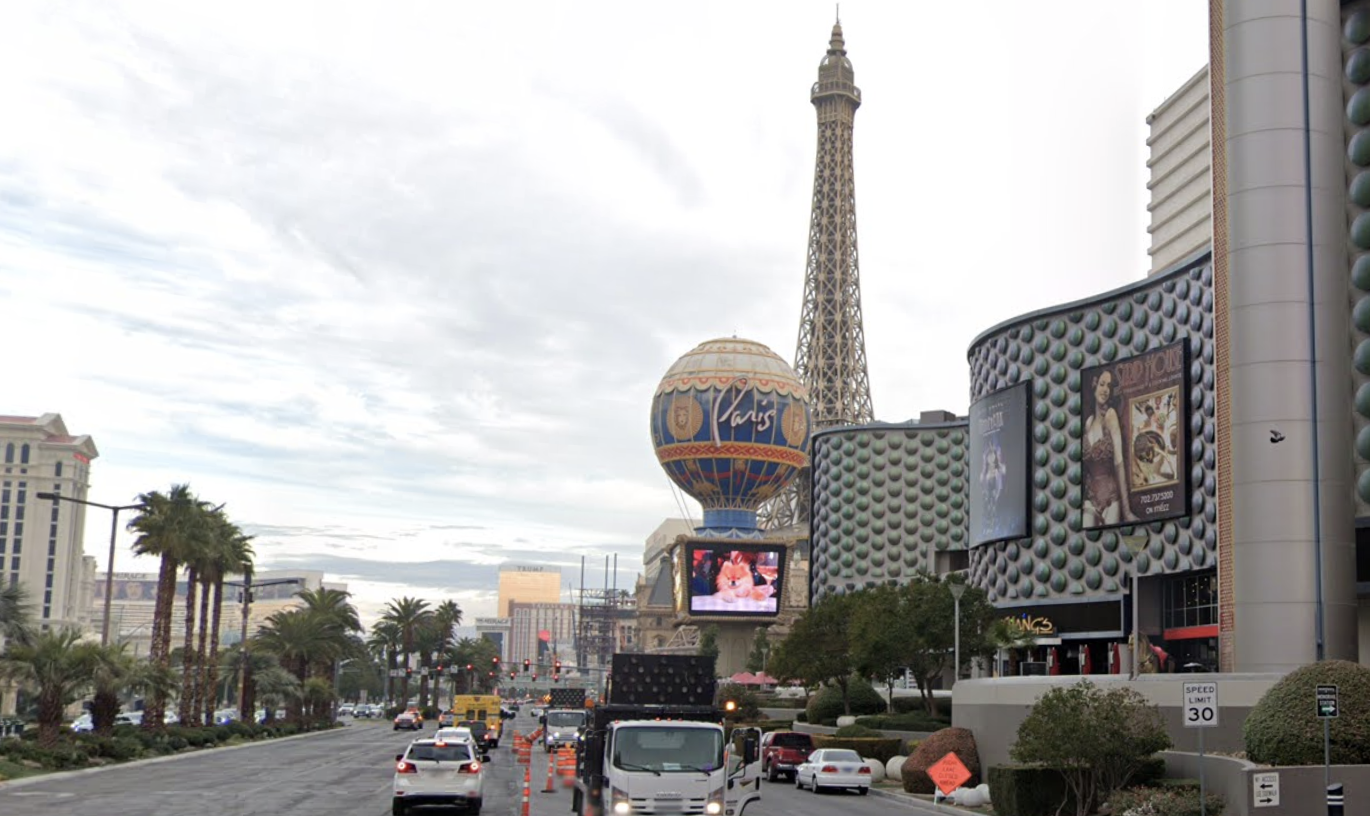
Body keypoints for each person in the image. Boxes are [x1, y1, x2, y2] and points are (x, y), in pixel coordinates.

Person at [1083, 370, 1137, 526]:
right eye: (1101, 384)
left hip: (1111, 500)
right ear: (1094, 385)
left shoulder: (1111, 416)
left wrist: (1126, 512)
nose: (1105, 389)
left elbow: (1119, 463)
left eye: (1109, 386)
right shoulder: (1088, 422)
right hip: (1090, 499)